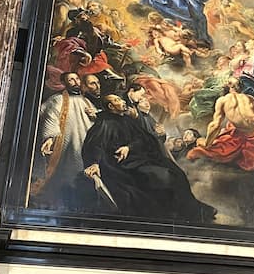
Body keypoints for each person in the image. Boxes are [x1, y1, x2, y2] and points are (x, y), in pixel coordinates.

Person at [81, 95, 215, 222]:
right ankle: (178, 214)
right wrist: (94, 163)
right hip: (123, 165)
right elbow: (94, 145)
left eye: (120, 98)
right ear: (111, 106)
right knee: (164, 177)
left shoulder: (127, 120)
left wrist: (129, 147)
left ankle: (190, 211)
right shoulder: (104, 123)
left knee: (176, 173)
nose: (122, 101)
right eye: (117, 100)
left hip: (139, 158)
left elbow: (143, 139)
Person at [31, 72, 98, 211]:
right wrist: (49, 138)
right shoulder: (58, 99)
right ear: (65, 83)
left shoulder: (87, 101)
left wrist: (96, 115)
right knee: (64, 172)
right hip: (66, 144)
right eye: (70, 79)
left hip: (85, 142)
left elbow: (97, 122)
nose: (75, 81)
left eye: (76, 79)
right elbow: (51, 117)